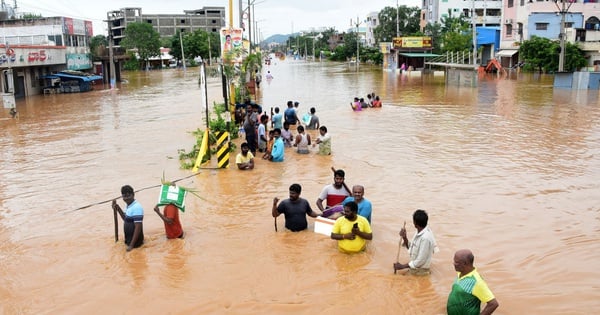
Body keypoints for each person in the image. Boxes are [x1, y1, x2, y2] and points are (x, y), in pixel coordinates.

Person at [447, 249, 499, 315]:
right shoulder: (460, 273)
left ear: (465, 263)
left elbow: (493, 304)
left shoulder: (476, 282)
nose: (453, 264)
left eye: (456, 262)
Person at [393, 209, 438, 275]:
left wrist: (402, 266)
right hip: (415, 268)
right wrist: (405, 237)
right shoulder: (419, 231)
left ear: (415, 223)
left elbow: (420, 261)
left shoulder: (425, 238)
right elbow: (412, 248)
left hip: (420, 272)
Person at [111, 185, 144, 252]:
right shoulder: (128, 206)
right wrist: (117, 208)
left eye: (128, 196)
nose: (126, 198)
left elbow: (138, 227)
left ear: (133, 195)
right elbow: (125, 219)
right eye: (124, 196)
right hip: (129, 240)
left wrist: (131, 245)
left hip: (136, 243)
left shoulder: (137, 207)